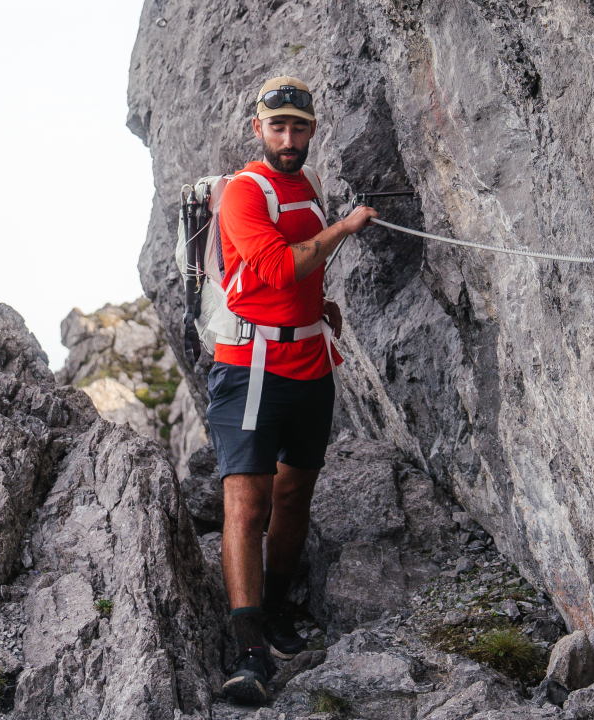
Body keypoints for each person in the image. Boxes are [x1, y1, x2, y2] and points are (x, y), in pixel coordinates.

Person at [209, 75, 379, 706]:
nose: (287, 139)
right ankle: (249, 650)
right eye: (276, 127)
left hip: (309, 360)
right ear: (259, 129)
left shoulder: (306, 183)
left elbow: (302, 272)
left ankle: (277, 609)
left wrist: (320, 303)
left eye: (298, 128)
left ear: (311, 130)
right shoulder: (244, 193)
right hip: (251, 366)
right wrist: (346, 228)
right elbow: (279, 268)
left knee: (295, 491)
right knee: (247, 505)